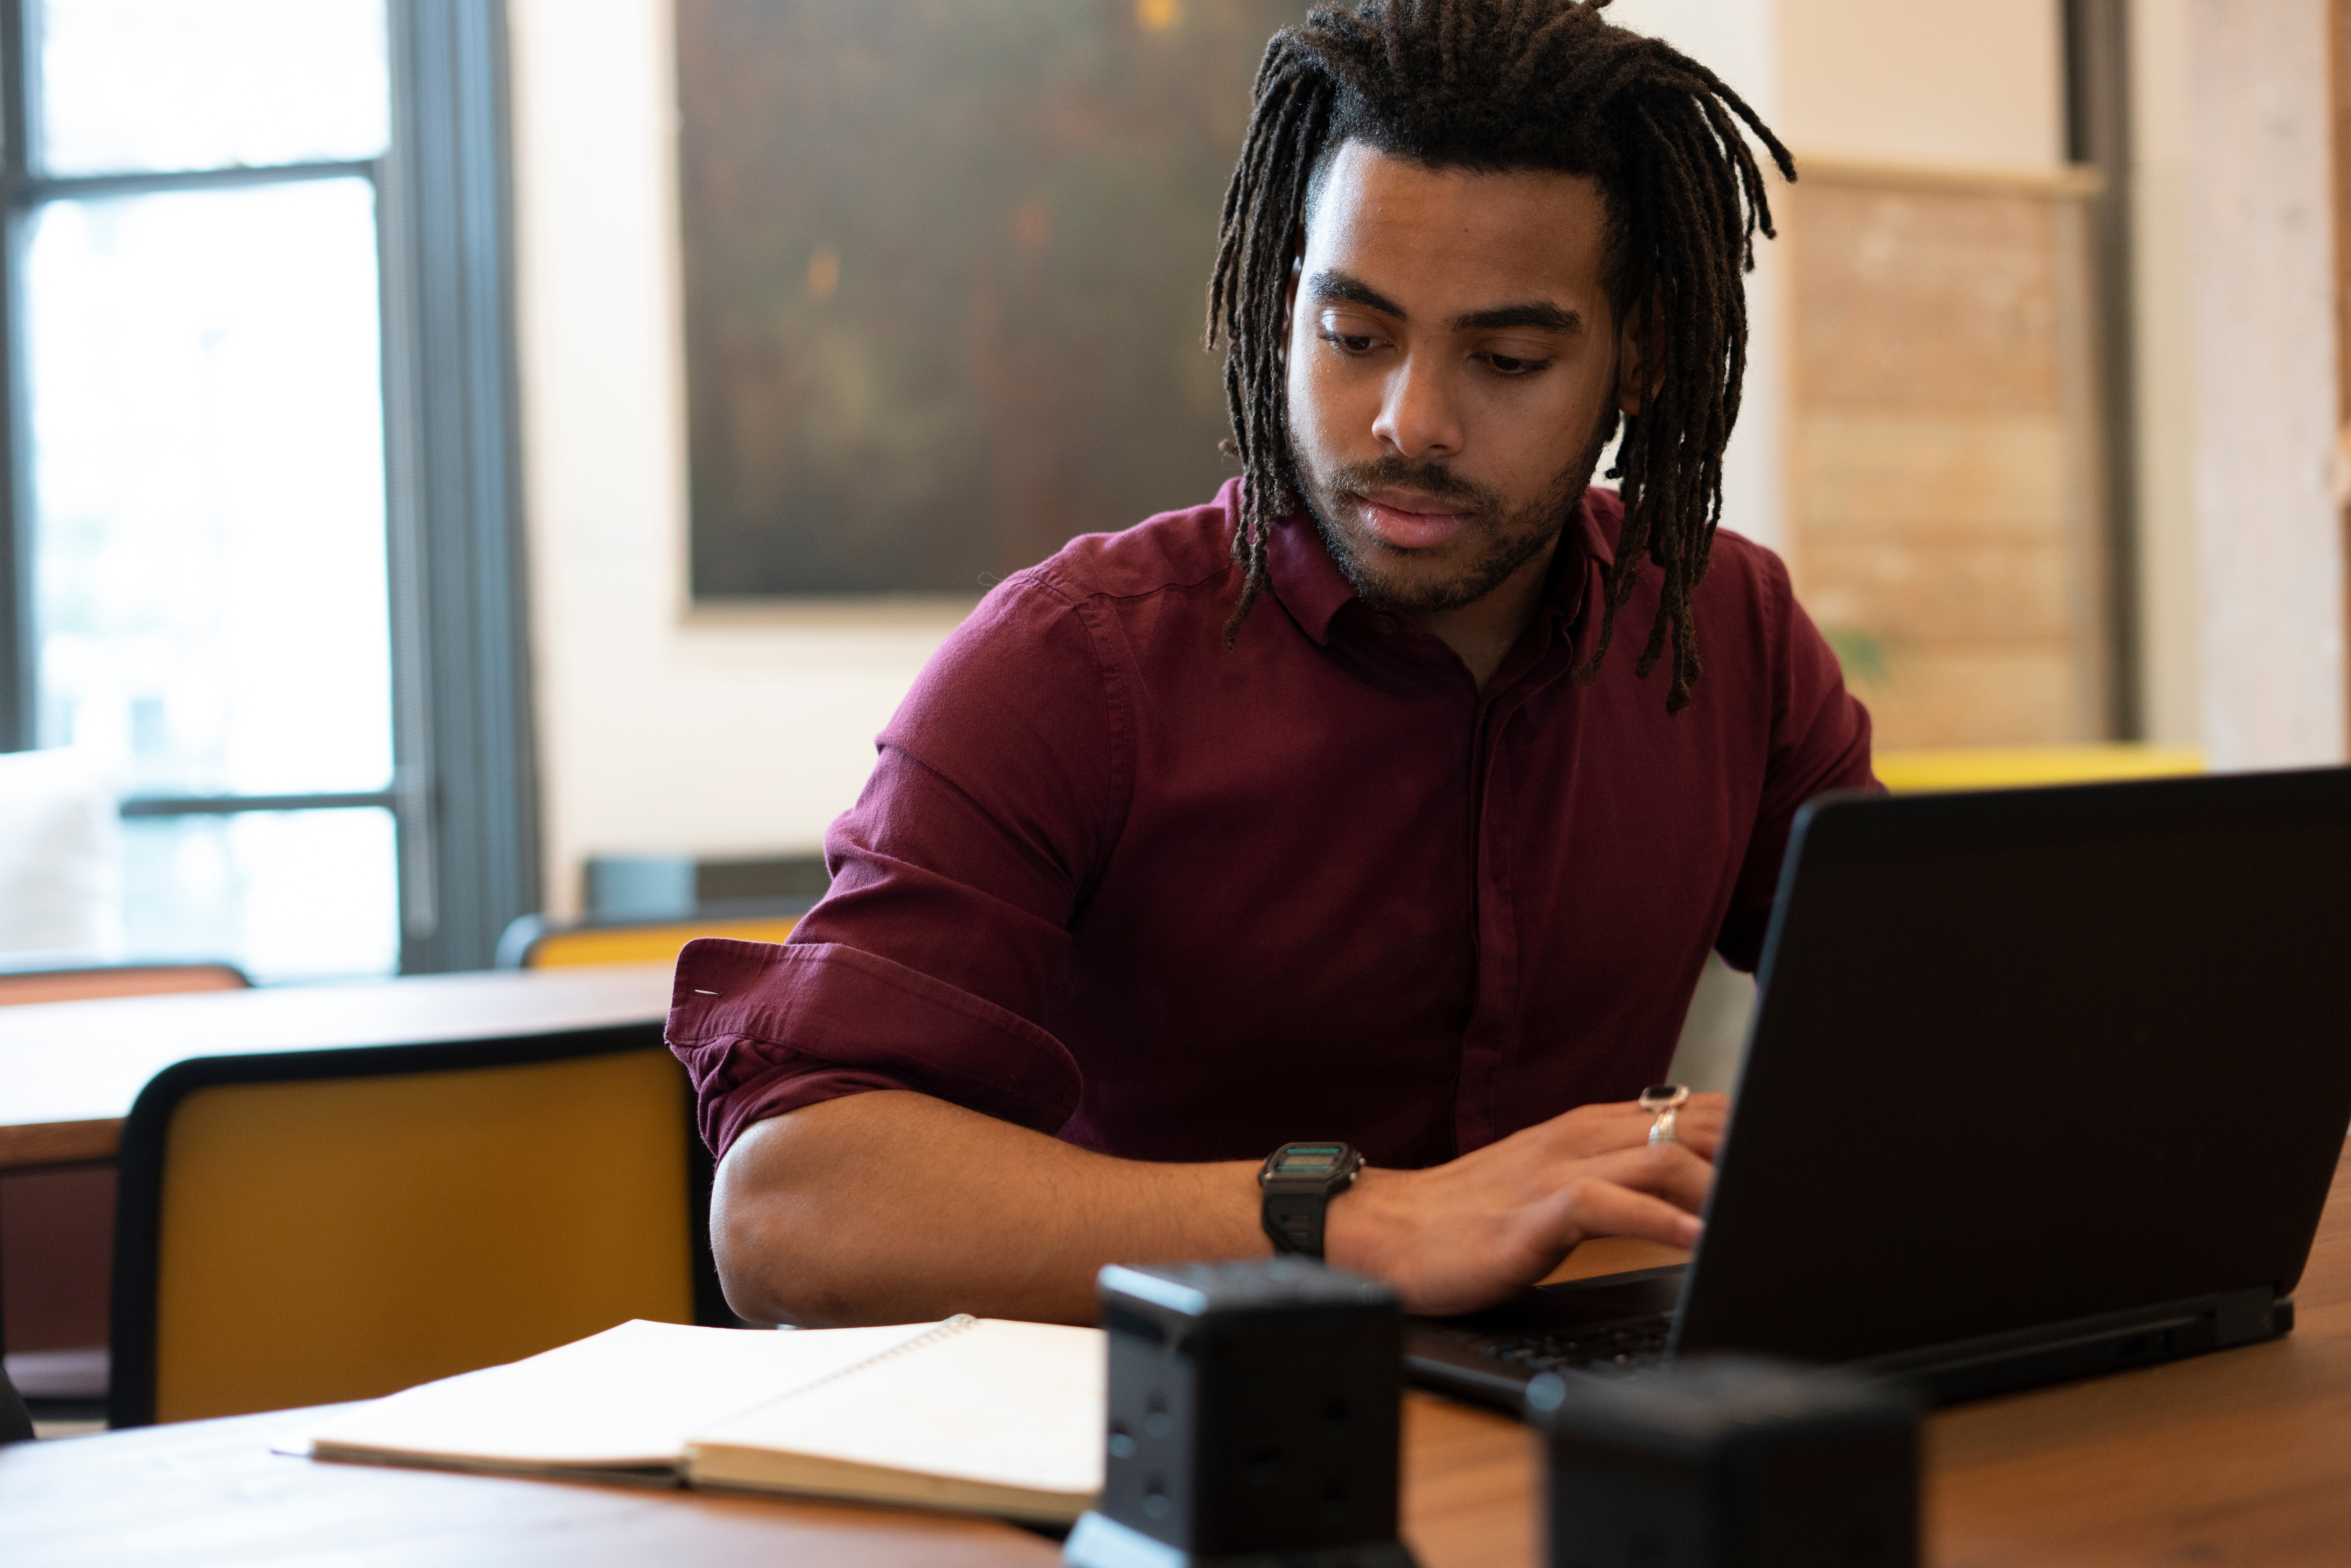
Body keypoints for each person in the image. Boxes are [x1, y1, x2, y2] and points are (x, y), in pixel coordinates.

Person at [669, 0, 1872, 1328]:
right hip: (1164, 1424)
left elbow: (1932, 1040)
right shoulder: (1071, 667)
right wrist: (1350, 1221)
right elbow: (785, 1209)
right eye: (1356, 336)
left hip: (1571, 1413)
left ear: (1639, 352)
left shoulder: (1729, 635)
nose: (1412, 420)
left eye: (1508, 358)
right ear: (1285, 297)